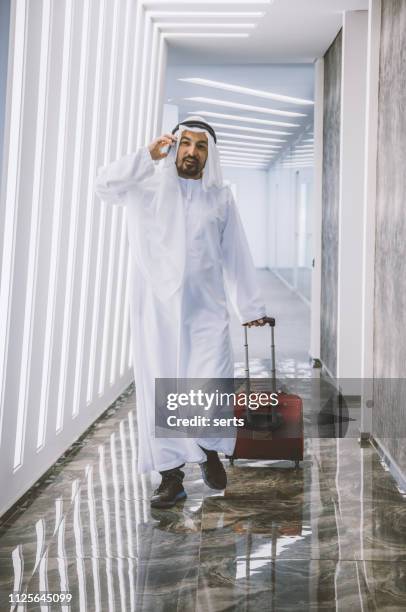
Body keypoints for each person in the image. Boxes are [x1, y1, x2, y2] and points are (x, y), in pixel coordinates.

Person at [95, 116, 268, 508]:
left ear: (210, 154)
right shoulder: (144, 187)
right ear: (173, 146)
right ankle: (171, 477)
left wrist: (251, 306)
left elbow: (236, 252)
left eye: (201, 146)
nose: (192, 152)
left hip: (207, 309)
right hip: (157, 312)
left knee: (208, 386)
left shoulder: (220, 197)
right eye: (185, 143)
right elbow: (104, 185)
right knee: (165, 392)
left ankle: (207, 447)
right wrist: (144, 156)